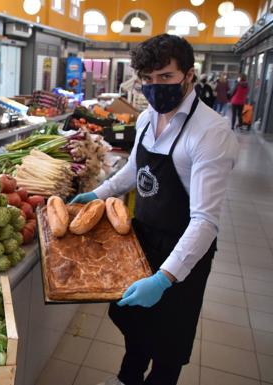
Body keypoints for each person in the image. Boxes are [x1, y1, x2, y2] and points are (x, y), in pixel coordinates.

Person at [71, 34, 238, 385]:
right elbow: (135, 169)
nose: (154, 86)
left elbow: (205, 220)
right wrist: (98, 193)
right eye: (147, 79)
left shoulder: (211, 133)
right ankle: (126, 379)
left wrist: (165, 277)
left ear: (189, 75)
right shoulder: (148, 117)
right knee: (137, 325)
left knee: (169, 344)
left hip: (183, 251)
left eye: (165, 77)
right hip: (142, 237)